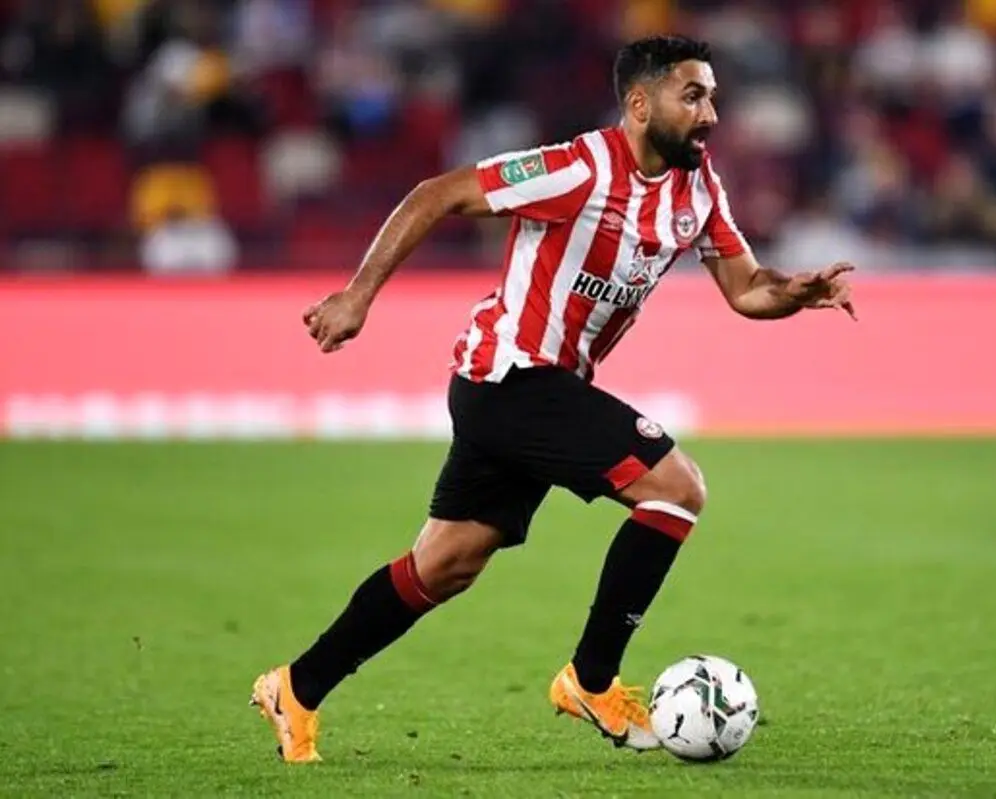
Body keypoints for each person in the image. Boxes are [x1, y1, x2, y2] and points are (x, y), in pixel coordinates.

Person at [250, 34, 856, 763]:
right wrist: (357, 296)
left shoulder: (698, 190)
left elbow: (747, 286)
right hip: (510, 377)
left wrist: (794, 293)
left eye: (713, 98)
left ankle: (296, 687)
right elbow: (436, 194)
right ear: (641, 104)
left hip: (543, 389)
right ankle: (591, 680)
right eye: (693, 96)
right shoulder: (579, 168)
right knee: (676, 489)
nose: (711, 114)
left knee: (445, 564)